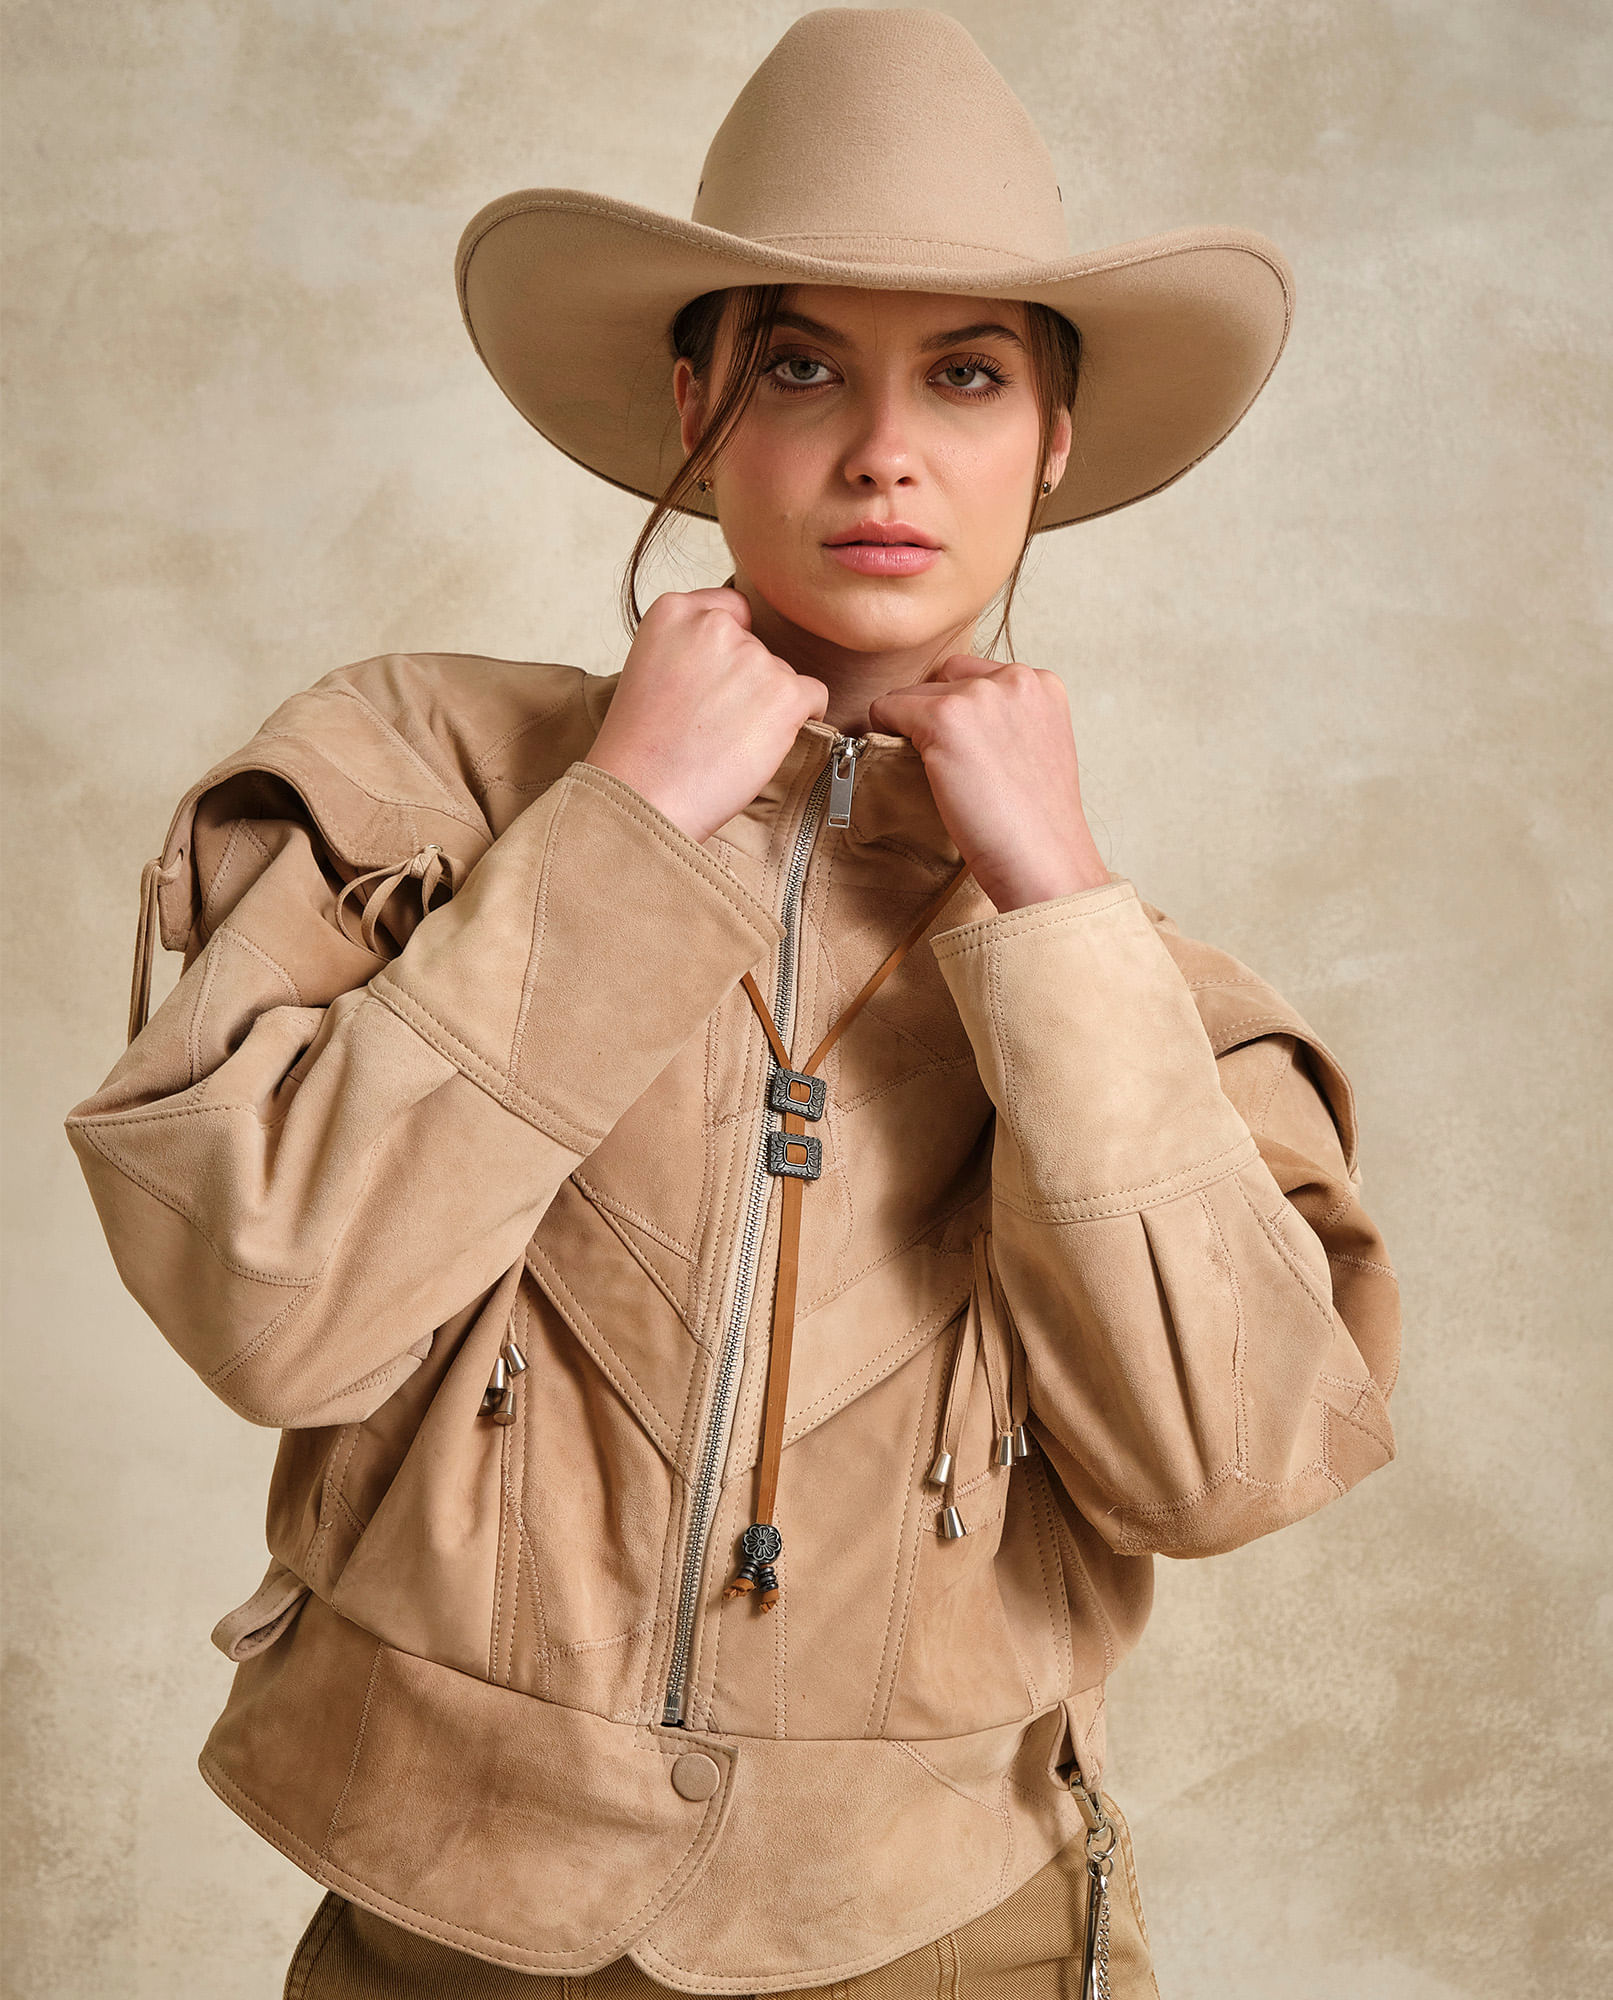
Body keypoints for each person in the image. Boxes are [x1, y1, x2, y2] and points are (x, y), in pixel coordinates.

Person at [65, 11, 1401, 1997]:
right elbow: (279, 1308)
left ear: (1054, 437)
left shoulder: (1142, 982)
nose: (883, 449)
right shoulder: (415, 789)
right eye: (802, 364)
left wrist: (1055, 904)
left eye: (965, 375)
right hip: (445, 1925)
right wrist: (623, 823)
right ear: (697, 400)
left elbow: (1219, 1468)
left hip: (957, 1940)